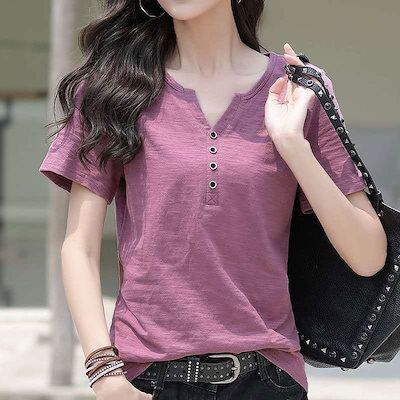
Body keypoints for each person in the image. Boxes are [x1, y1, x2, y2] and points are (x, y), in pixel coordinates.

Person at [38, 0, 388, 399]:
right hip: (148, 380)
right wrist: (104, 372)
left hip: (266, 379)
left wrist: (293, 145)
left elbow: (368, 255)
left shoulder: (298, 89)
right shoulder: (113, 90)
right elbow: (78, 246)